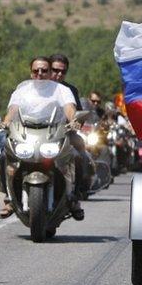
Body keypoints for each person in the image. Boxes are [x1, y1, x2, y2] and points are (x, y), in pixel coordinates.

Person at [0, 56, 84, 220]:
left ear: (49, 71)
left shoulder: (61, 90)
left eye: (44, 70)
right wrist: (6, 122)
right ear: (31, 73)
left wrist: (74, 120)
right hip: (26, 133)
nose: (40, 74)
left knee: (77, 156)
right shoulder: (22, 90)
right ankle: (9, 198)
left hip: (55, 133)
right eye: (36, 70)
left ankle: (73, 197)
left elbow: (69, 108)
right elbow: (13, 109)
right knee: (4, 155)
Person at [50, 53, 94, 200]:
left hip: (64, 133)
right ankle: (10, 198)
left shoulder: (70, 90)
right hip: (37, 132)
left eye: (63, 71)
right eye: (55, 70)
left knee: (80, 155)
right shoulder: (37, 88)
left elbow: (78, 115)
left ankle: (76, 194)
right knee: (9, 154)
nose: (59, 74)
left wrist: (77, 121)